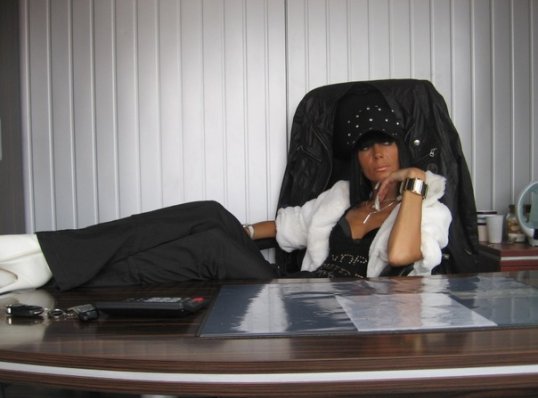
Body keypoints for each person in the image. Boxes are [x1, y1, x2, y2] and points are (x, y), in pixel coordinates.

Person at [0, 100, 451, 294]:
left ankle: (47, 261)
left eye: (386, 144)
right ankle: (51, 263)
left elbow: (401, 255)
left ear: (403, 149)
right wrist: (236, 231)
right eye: (367, 147)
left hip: (322, 309)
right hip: (296, 287)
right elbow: (287, 228)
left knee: (212, 247)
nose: (378, 154)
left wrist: (414, 182)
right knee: (211, 215)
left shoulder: (429, 210)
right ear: (358, 158)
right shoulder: (342, 196)